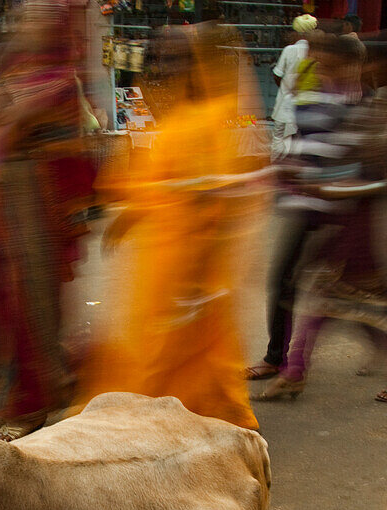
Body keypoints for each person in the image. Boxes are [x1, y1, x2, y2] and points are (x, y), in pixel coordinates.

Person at [74, 24, 262, 431]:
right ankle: (171, 419)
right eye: (160, 58)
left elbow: (218, 201)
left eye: (177, 58)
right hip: (160, 260)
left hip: (193, 263)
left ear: (197, 65)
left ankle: (202, 422)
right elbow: (163, 182)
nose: (165, 68)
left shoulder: (210, 120)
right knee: (156, 344)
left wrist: (198, 281)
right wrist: (131, 215)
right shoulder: (176, 115)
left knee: (179, 348)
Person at [0, 0, 94, 441]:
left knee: (31, 310)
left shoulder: (62, 82)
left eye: (36, 20)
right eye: (24, 18)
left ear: (56, 28)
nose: (26, 26)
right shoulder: (14, 74)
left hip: (35, 213)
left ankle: (33, 406)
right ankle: (10, 392)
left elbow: (70, 152)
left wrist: (13, 118)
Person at [254, 34, 387, 403]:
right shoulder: (327, 98)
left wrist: (327, 187)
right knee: (328, 300)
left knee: (375, 304)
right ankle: (292, 370)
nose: (319, 71)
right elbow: (316, 150)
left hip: (363, 226)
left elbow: (381, 177)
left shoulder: (379, 110)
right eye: (317, 64)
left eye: (326, 64)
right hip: (334, 219)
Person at [271, 14, 316, 159]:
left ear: (297, 32)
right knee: (298, 143)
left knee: (278, 139)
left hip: (284, 105)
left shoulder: (289, 50)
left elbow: (277, 74)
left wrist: (285, 88)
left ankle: (276, 169)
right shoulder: (314, 52)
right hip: (304, 106)